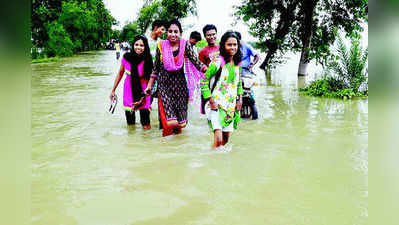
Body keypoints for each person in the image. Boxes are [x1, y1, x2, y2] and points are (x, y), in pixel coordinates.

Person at [145, 19, 207, 137]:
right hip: (164, 87)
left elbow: (196, 62)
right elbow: (155, 68)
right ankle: (165, 147)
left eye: (176, 31)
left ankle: (178, 149)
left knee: (179, 124)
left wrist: (207, 69)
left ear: (180, 33)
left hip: (180, 87)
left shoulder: (185, 45)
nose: (173, 34)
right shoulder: (161, 46)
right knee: (169, 122)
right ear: (166, 33)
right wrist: (149, 85)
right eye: (170, 31)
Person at [201, 31, 243, 148]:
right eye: (229, 44)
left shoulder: (237, 64)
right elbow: (204, 81)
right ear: (223, 45)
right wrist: (210, 101)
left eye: (235, 45)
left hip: (230, 107)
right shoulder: (217, 62)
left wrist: (240, 100)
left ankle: (219, 162)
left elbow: (239, 83)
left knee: (225, 140)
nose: (232, 47)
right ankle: (211, 162)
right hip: (215, 106)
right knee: (218, 139)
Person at [110, 35, 153, 129]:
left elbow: (152, 78)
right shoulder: (126, 58)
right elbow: (120, 74)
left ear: (145, 47)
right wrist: (113, 90)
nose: (138, 47)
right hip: (129, 91)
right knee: (131, 125)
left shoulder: (148, 59)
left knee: (146, 124)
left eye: (141, 45)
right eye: (136, 44)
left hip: (144, 92)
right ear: (133, 45)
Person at [235, 31, 260, 120]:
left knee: (249, 88)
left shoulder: (247, 46)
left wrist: (252, 64)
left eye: (236, 41)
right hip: (235, 72)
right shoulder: (232, 47)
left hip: (246, 73)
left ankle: (251, 101)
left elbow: (257, 55)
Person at [199, 24, 219, 114]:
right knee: (206, 105)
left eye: (213, 34)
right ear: (205, 37)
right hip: (208, 81)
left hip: (221, 81)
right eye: (209, 35)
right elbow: (199, 68)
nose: (211, 37)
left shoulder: (222, 48)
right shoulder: (203, 51)